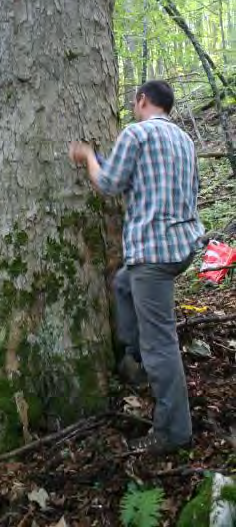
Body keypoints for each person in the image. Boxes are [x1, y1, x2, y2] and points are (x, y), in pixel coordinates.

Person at [69, 80, 204, 454]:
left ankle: (173, 430)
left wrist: (88, 157)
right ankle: (136, 358)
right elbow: (194, 189)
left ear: (143, 101)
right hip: (181, 248)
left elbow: (109, 183)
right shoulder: (185, 141)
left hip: (153, 256)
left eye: (134, 102)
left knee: (161, 341)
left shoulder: (137, 134)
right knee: (123, 282)